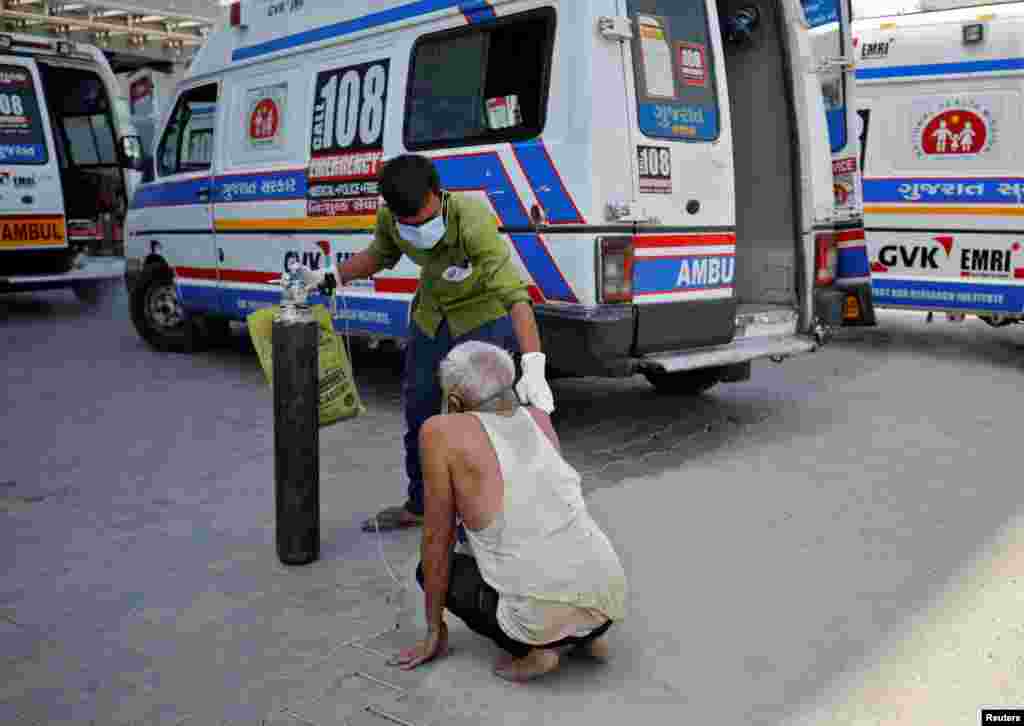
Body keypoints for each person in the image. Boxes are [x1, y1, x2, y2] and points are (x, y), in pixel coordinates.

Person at [334, 154, 555, 532]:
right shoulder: (391, 219)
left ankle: (492, 511)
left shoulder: (472, 219)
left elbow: (514, 295)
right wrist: (331, 275)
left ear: (438, 194)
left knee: (484, 421)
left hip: (482, 318)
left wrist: (534, 365)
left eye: (425, 219)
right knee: (419, 412)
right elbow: (379, 255)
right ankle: (420, 504)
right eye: (410, 224)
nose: (419, 229)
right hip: (432, 318)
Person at [391, 341, 627, 681]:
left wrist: (433, 630)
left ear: (454, 401)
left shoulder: (440, 432)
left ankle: (541, 650)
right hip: (606, 600)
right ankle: (588, 637)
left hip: (538, 623)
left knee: (431, 570)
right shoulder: (539, 418)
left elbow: (436, 538)